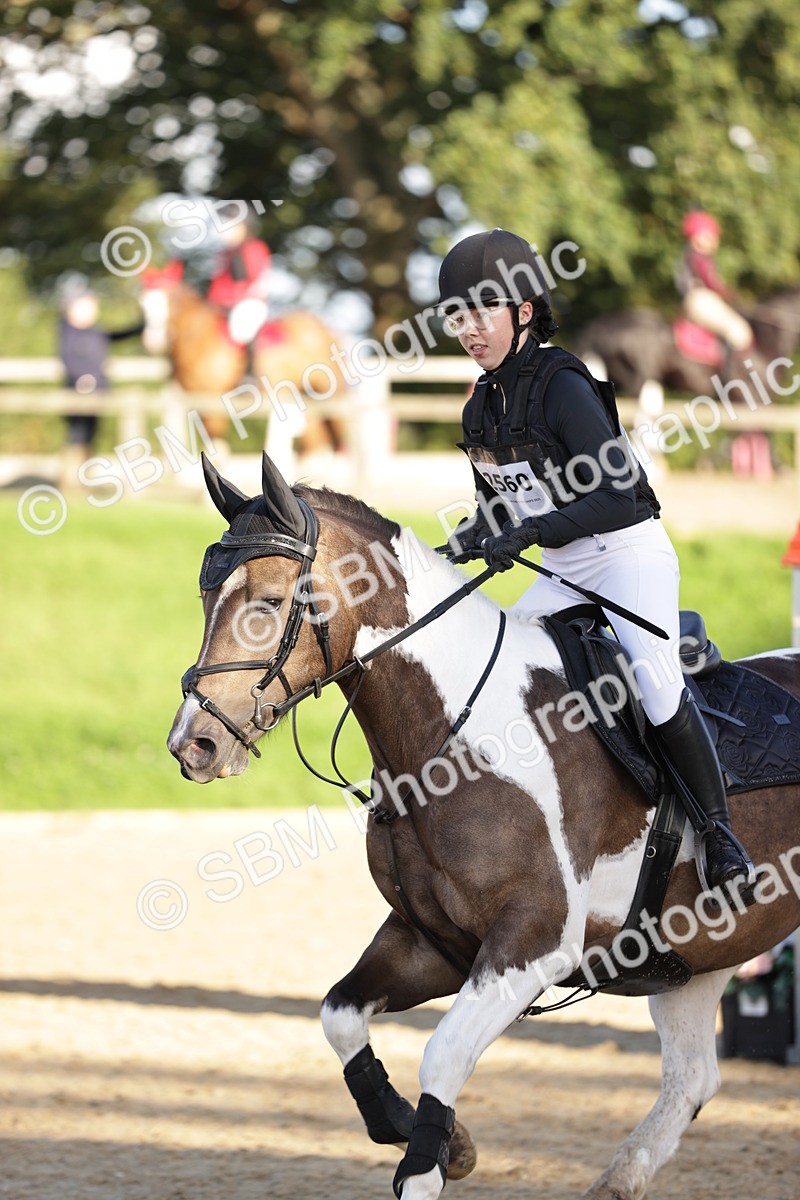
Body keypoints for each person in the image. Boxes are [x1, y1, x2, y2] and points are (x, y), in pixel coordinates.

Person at [439, 227, 755, 900]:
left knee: (654, 681)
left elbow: (622, 497)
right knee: (496, 673)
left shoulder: (564, 388)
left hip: (626, 555)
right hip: (562, 565)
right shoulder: (480, 408)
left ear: (524, 312)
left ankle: (723, 836)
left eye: (481, 312)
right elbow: (501, 505)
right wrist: (474, 537)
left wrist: (527, 532)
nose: (468, 328)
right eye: (457, 315)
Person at [58, 290, 143, 478]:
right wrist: (81, 379)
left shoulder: (94, 332)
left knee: (90, 435)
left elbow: (117, 335)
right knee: (77, 434)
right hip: (77, 392)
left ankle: (84, 477)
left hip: (96, 393)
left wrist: (142, 325)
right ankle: (71, 479)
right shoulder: (69, 333)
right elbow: (68, 360)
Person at [675, 210, 754, 361]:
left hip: (699, 300)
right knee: (738, 332)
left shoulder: (692, 255)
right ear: (697, 236)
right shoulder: (699, 258)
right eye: (710, 236)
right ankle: (730, 377)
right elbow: (712, 284)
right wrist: (729, 293)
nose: (714, 241)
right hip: (701, 300)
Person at [207, 213, 272, 361]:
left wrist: (233, 299)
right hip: (221, 305)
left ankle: (248, 373)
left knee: (241, 330)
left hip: (248, 303)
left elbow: (252, 280)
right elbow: (217, 283)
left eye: (233, 226)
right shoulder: (224, 253)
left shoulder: (254, 248)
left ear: (245, 228)